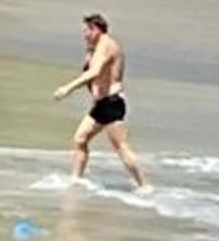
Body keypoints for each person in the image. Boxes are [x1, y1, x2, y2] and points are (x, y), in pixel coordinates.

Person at [56, 12, 150, 192]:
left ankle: (144, 186)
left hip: (112, 103)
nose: (84, 35)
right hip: (101, 105)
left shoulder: (106, 45)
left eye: (87, 31)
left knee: (121, 147)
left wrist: (68, 88)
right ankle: (76, 179)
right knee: (80, 139)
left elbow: (94, 73)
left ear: (96, 29)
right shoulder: (96, 47)